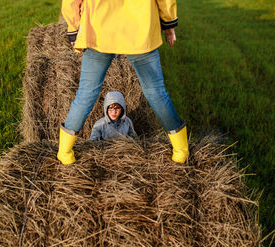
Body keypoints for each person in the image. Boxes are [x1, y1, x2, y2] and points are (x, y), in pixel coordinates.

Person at [57, 0, 188, 165]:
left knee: (85, 94)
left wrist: (74, 29)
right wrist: (169, 24)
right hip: (140, 31)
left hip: (99, 31)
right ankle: (181, 151)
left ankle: (65, 152)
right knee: (156, 93)